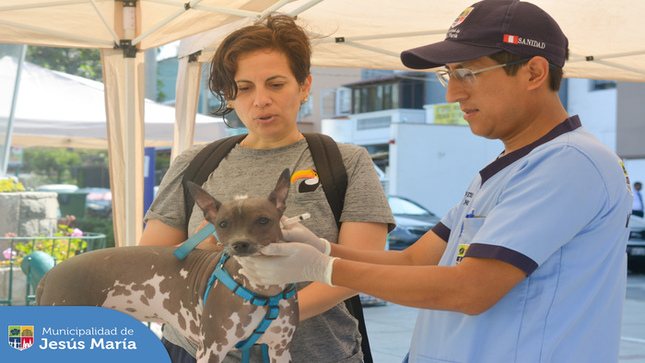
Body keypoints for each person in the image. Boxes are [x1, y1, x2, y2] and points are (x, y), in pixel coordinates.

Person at [237, 1, 634, 362]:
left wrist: (323, 268)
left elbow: (470, 290)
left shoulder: (569, 162)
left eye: (467, 74)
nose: (452, 93)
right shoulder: (508, 167)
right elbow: (413, 260)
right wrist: (322, 247)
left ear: (533, 72)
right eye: (449, 74)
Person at [139, 14, 394, 363]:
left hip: (314, 354)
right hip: (193, 350)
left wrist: (263, 320)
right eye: (244, 88)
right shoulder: (195, 163)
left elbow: (358, 272)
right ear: (228, 96)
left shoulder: (345, 162)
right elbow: (151, 265)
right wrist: (199, 248)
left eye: (276, 84)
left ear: (304, 86)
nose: (260, 100)